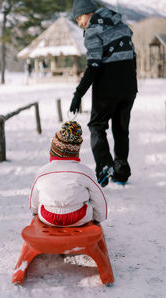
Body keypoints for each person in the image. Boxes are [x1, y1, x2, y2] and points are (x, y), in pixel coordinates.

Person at [70, 0, 137, 187]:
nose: (80, 23)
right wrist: (133, 83)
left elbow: (93, 66)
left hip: (108, 86)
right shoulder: (121, 25)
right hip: (129, 86)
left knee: (96, 126)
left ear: (88, 12)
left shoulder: (93, 30)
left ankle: (104, 166)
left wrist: (78, 94)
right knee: (121, 128)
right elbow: (133, 56)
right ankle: (121, 172)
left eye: (79, 17)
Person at [30, 121, 107, 227]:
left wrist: (35, 212)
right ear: (76, 151)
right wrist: (99, 218)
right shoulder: (85, 172)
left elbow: (34, 197)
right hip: (78, 218)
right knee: (89, 201)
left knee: (42, 201)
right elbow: (99, 196)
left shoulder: (42, 172)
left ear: (53, 150)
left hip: (48, 217)